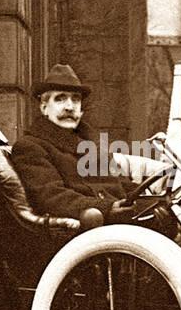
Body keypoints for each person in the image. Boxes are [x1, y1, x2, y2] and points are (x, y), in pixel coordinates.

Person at [11, 64, 132, 223]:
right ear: (44, 107)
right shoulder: (30, 147)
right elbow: (52, 198)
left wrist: (146, 198)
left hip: (116, 223)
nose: (69, 107)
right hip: (82, 231)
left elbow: (120, 185)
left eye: (75, 99)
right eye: (60, 98)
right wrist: (108, 207)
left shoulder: (92, 144)